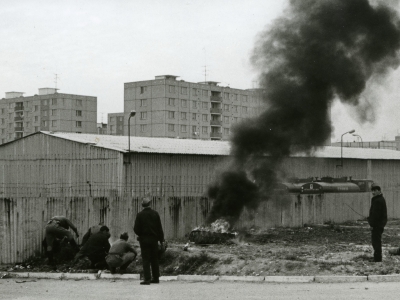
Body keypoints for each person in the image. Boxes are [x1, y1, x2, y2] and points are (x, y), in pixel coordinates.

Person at [134, 197, 164, 285]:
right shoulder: (155, 214)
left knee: (146, 259)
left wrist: (141, 234)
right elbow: (159, 228)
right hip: (154, 240)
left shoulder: (139, 215)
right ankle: (156, 278)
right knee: (154, 259)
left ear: (142, 205)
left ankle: (147, 279)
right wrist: (161, 240)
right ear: (150, 204)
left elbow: (136, 229)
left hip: (144, 240)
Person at [367, 185, 387, 262]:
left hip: (377, 225)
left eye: (375, 190)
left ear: (379, 191)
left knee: (376, 242)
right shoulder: (379, 199)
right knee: (376, 241)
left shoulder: (378, 200)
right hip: (379, 224)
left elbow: (375, 214)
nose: (373, 192)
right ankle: (377, 258)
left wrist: (371, 224)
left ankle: (378, 259)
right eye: (372, 191)